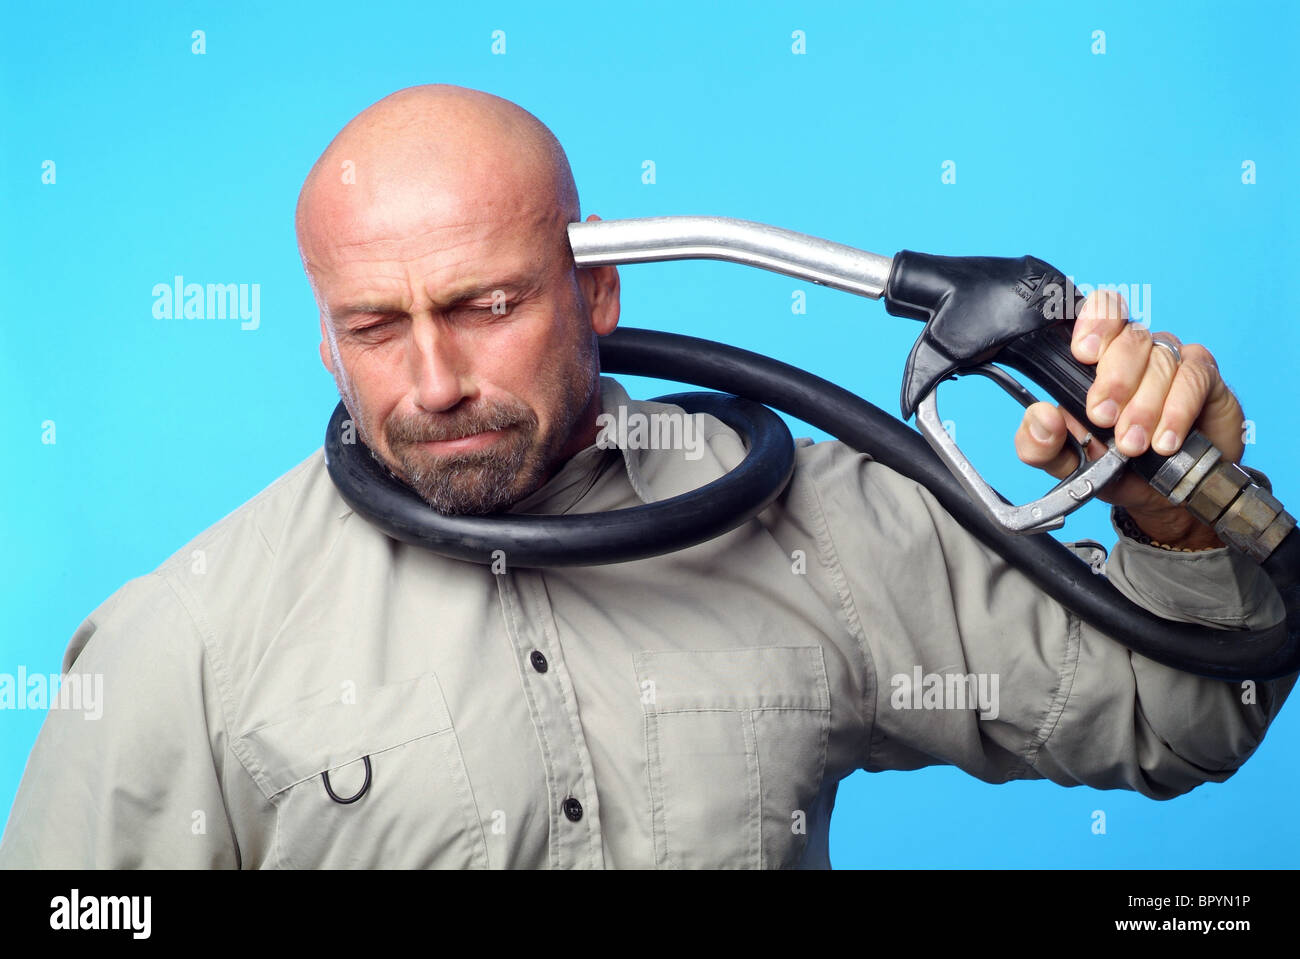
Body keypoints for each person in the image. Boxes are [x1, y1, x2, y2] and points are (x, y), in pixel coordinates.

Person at [0, 84, 1291, 869]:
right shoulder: (190, 637)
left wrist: (1168, 505)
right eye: (377, 329)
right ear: (326, 335)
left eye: (487, 302)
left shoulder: (815, 529)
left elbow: (1182, 720)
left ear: (599, 287)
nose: (436, 379)